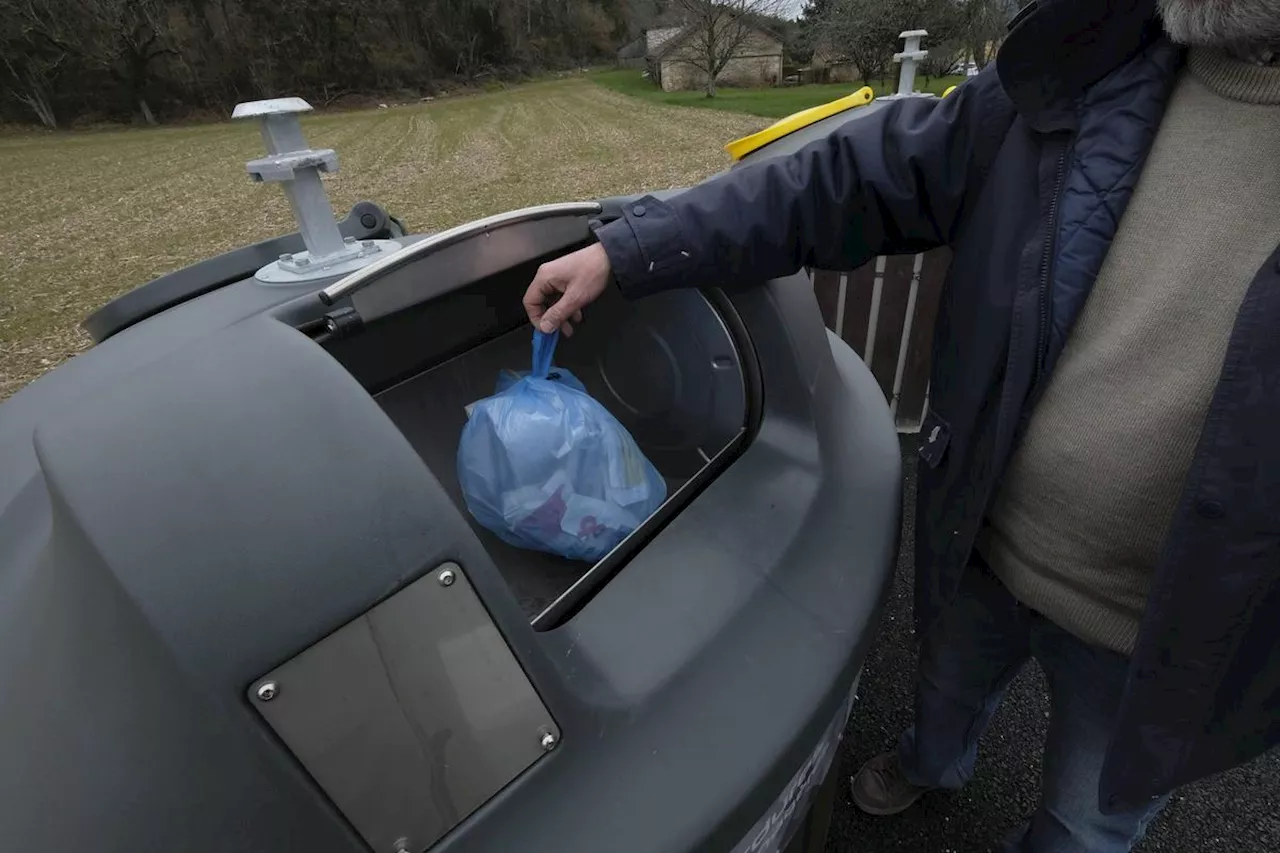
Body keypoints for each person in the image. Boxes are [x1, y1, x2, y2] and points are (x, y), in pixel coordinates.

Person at [525, 0, 1280, 849]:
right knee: (946, 688)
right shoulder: (1095, 60)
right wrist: (632, 248)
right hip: (984, 540)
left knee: (1086, 821)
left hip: (1159, 638)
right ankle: (931, 761)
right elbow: (846, 178)